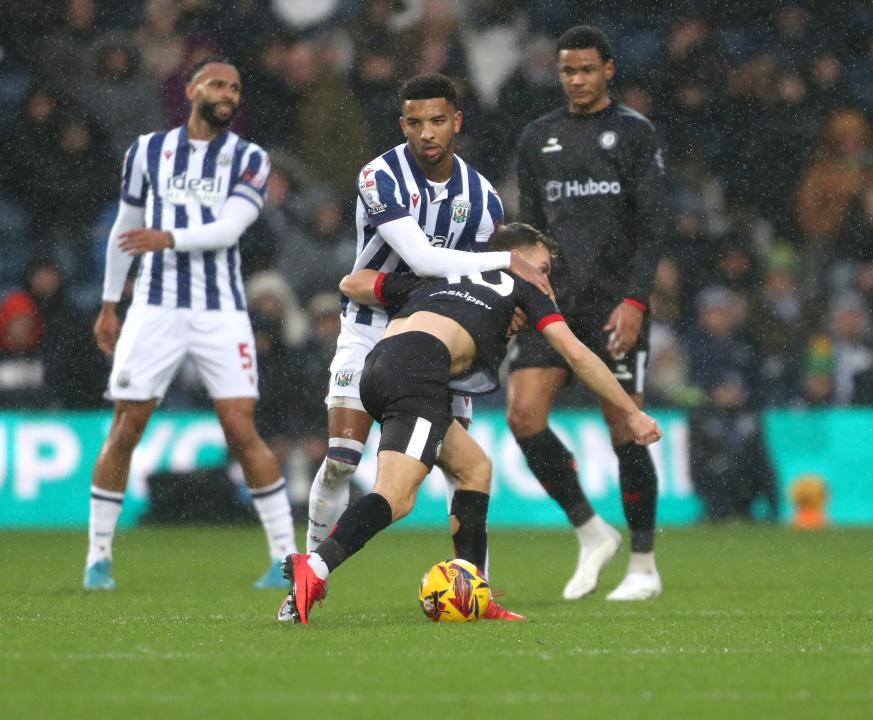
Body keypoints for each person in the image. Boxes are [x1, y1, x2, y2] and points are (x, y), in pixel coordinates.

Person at [283, 223, 661, 624]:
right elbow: (577, 355)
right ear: (518, 256)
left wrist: (428, 292)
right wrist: (631, 413)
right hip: (419, 370)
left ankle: (474, 590)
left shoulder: (446, 274)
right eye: (544, 266)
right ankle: (316, 567)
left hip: (380, 364)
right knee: (396, 497)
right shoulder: (524, 285)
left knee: (474, 468)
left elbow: (352, 284)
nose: (545, 278)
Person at [303, 73, 550, 564]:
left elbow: (475, 286)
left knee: (466, 469)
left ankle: (471, 585)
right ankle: (307, 572)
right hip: (369, 327)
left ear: (456, 121)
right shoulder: (380, 176)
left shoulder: (484, 200)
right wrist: (507, 262)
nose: (426, 133)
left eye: (438, 121)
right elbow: (422, 259)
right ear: (402, 124)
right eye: (414, 123)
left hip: (432, 340)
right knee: (341, 461)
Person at [83, 56, 297, 591]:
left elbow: (229, 230)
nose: (229, 94)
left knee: (241, 428)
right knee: (126, 427)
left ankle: (286, 558)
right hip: (153, 308)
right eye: (219, 84)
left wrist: (170, 238)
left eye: (236, 87)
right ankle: (98, 559)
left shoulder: (249, 159)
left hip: (220, 310)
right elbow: (125, 230)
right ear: (191, 88)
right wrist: (110, 304)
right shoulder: (147, 151)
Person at [507, 26, 669, 601]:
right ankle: (590, 529)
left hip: (614, 304)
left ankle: (644, 567)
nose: (575, 80)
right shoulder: (538, 137)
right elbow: (529, 232)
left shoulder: (632, 133)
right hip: (555, 303)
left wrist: (634, 302)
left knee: (626, 426)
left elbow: (653, 229)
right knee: (523, 416)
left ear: (608, 71)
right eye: (566, 71)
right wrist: (522, 294)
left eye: (585, 70)